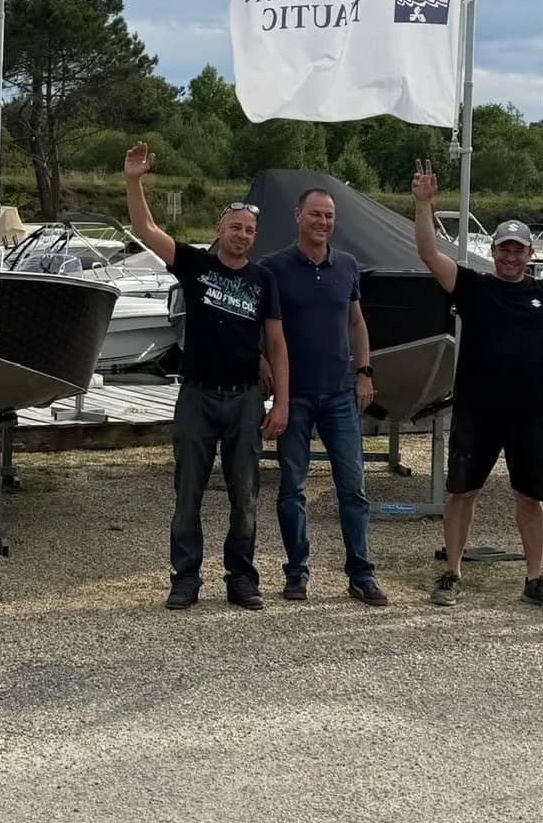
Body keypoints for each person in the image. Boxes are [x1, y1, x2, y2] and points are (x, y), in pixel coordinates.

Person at [411, 161, 543, 611]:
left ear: (529, 253)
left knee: (531, 495)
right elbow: (430, 254)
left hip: (529, 411)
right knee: (462, 491)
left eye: (518, 251)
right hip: (477, 409)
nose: (511, 257)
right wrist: (424, 205)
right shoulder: (473, 287)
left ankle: (535, 578)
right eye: (504, 250)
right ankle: (452, 572)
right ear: (493, 251)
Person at [124, 143, 289, 611]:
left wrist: (283, 402)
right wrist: (134, 180)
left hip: (244, 400)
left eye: (250, 230)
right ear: (218, 230)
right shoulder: (195, 265)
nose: (242, 234)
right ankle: (186, 578)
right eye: (234, 227)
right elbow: (145, 228)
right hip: (197, 396)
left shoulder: (263, 280)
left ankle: (241, 578)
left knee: (246, 495)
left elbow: (276, 344)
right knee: (188, 493)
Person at [261, 185, 389, 606]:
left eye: (329, 216)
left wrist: (364, 371)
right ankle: (296, 571)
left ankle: (360, 572)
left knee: (352, 487)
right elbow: (258, 326)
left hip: (339, 393)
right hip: (293, 393)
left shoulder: (347, 265)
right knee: (291, 489)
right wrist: (262, 367)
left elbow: (357, 322)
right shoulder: (273, 268)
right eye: (315, 215)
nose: (322, 223)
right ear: (298, 216)